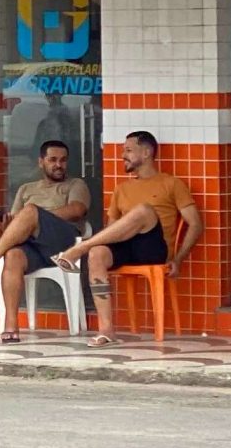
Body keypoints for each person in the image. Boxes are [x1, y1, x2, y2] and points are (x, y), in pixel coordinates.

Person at [50, 130, 204, 345]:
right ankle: (106, 331)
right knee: (97, 254)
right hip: (126, 246)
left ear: (147, 152)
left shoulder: (171, 184)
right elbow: (111, 230)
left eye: (129, 150)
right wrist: (100, 246)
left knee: (143, 211)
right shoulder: (121, 189)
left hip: (153, 249)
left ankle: (80, 249)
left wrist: (178, 259)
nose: (123, 155)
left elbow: (195, 224)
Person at [0, 140, 93, 341]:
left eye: (63, 160)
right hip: (34, 246)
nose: (59, 165)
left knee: (31, 211)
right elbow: (16, 225)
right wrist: (5, 226)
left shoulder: (76, 184)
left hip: (63, 244)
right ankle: (11, 326)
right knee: (13, 255)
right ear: (41, 162)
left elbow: (77, 210)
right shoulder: (26, 189)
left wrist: (38, 218)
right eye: (53, 160)